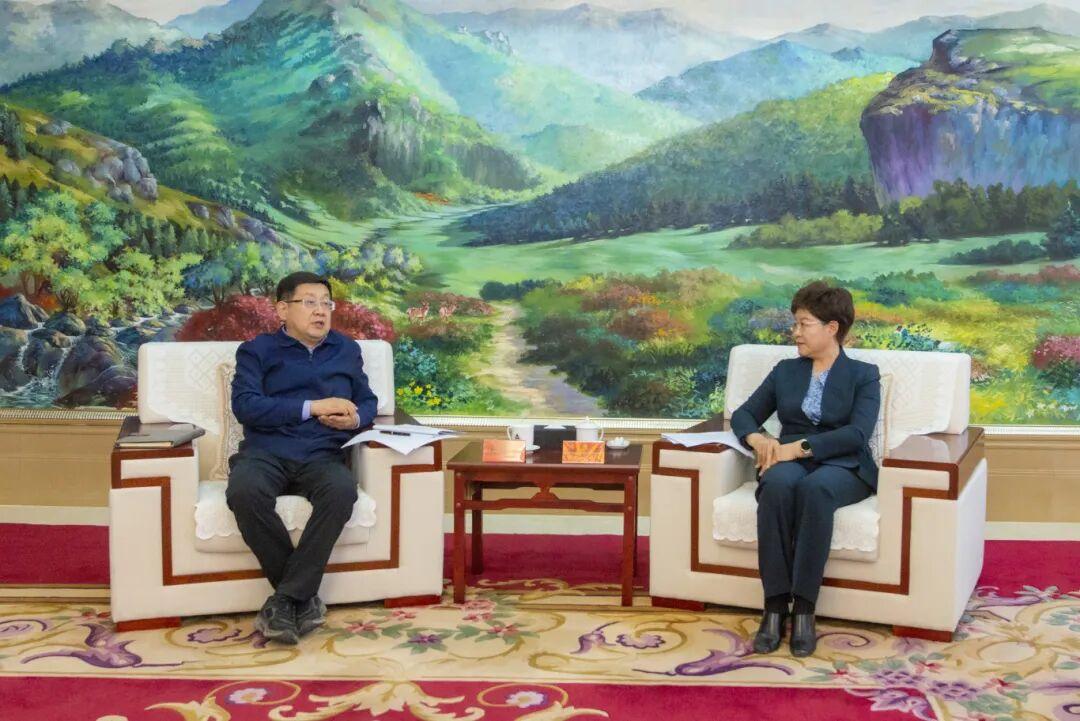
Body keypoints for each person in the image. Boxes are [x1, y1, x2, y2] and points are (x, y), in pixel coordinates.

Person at [227, 271, 378, 645]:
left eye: (326, 303)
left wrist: (355, 419)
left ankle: (285, 600)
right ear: (282, 309)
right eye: (309, 302)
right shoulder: (257, 351)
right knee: (244, 491)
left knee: (341, 491)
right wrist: (313, 407)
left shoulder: (346, 350)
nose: (320, 311)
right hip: (267, 452)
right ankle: (302, 598)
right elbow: (246, 406)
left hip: (323, 454)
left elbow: (368, 401)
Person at [730, 281, 880, 657]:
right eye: (795, 323)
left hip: (844, 464)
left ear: (832, 328)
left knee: (817, 490)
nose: (795, 332)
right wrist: (758, 439)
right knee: (776, 486)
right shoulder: (785, 371)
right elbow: (744, 414)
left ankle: (804, 610)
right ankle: (774, 607)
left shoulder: (864, 374)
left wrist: (796, 448)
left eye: (804, 323)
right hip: (788, 462)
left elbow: (857, 434)